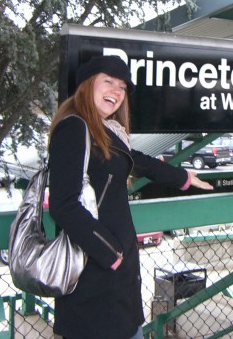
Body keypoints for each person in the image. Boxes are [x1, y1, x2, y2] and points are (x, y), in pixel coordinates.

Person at [47, 55, 213, 339]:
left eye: (122, 87)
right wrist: (112, 254)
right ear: (88, 85)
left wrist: (183, 177)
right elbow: (63, 205)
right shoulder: (74, 128)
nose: (116, 92)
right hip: (94, 280)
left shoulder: (105, 130)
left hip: (117, 279)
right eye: (108, 82)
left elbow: (134, 160)